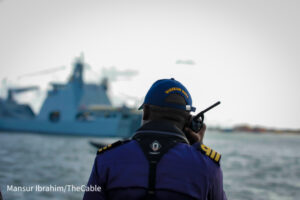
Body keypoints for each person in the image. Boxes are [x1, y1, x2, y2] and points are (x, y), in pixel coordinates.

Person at [83, 78, 227, 200]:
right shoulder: (208, 167)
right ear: (189, 121)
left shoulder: (106, 159)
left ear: (145, 112)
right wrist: (198, 152)